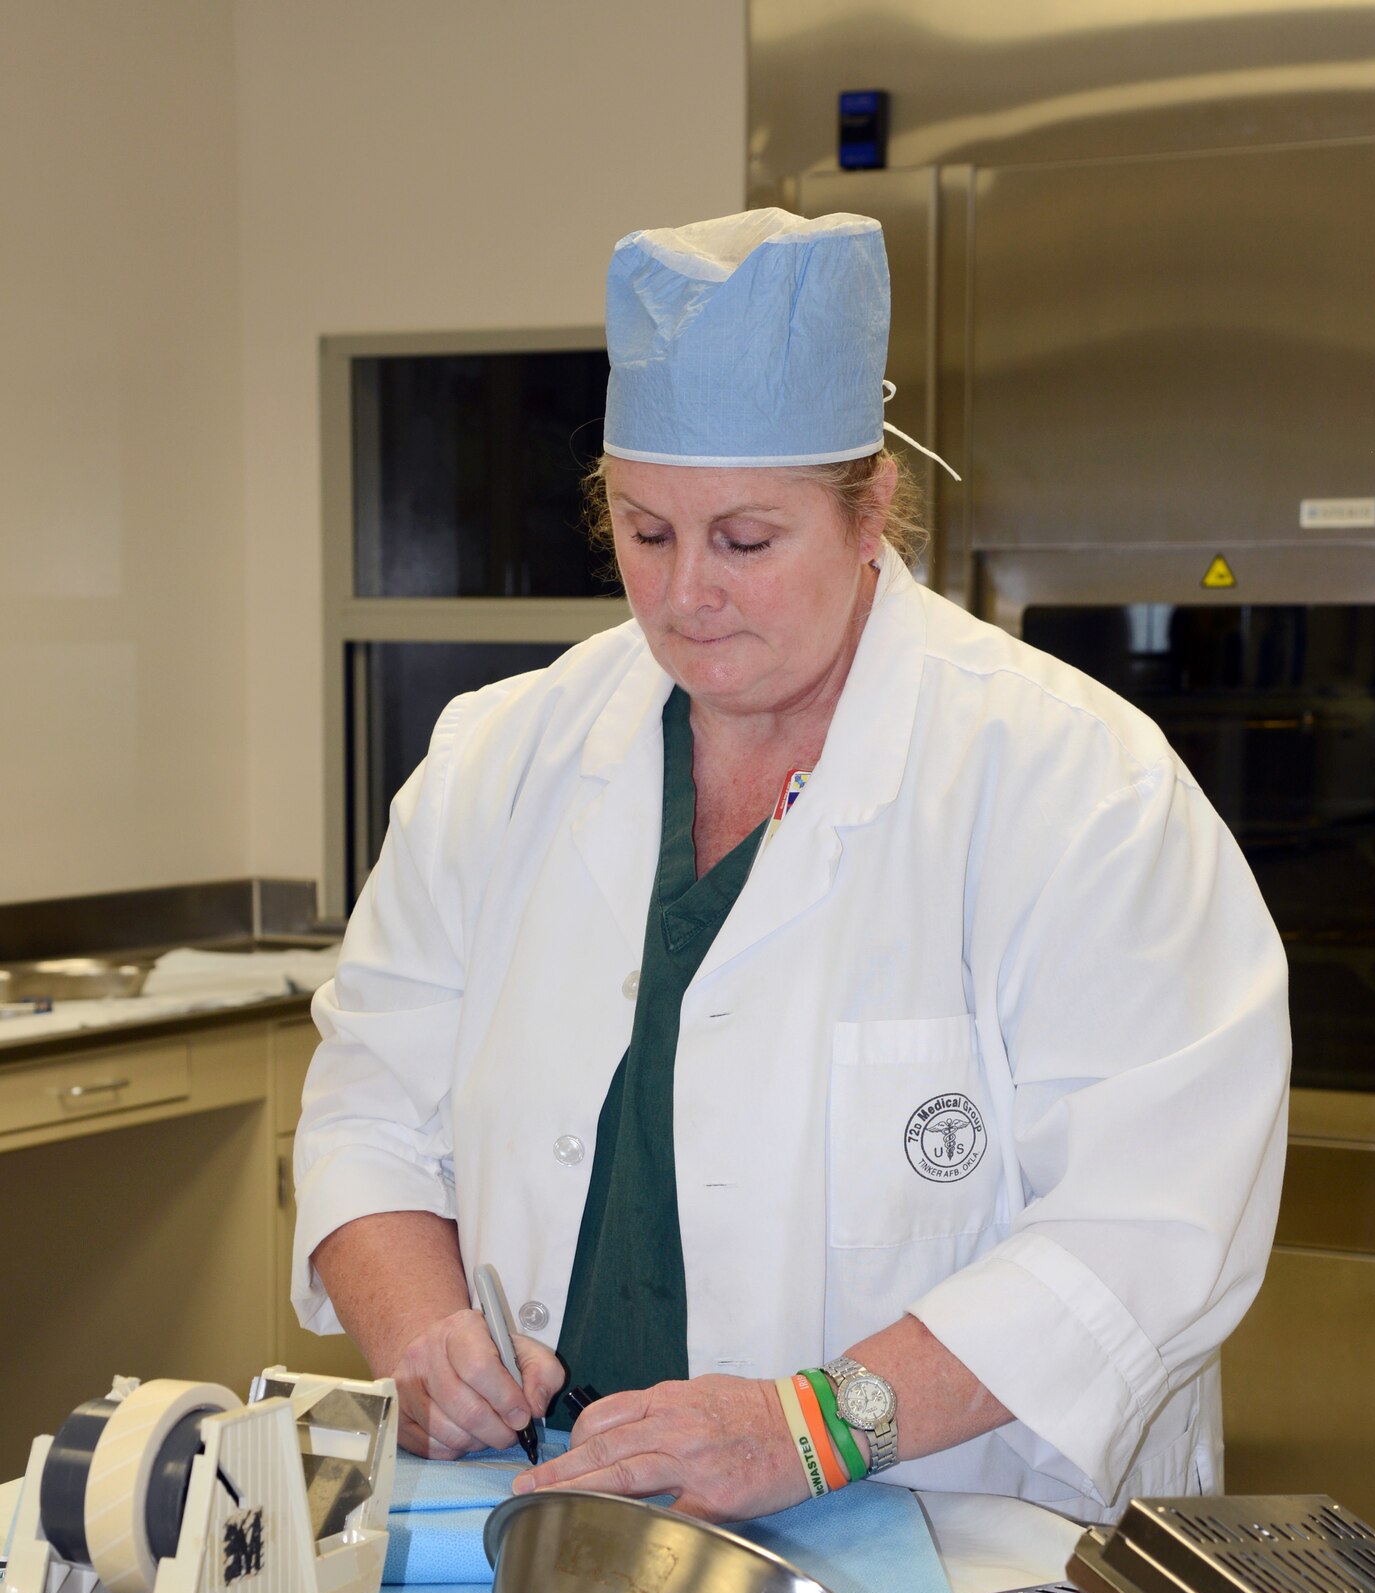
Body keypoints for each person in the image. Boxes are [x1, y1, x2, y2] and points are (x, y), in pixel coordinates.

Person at [293, 208, 1289, 1526]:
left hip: (962, 1547)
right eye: (645, 535)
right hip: (543, 1520)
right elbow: (368, 1112)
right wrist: (419, 1337)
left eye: (745, 542)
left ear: (870, 510)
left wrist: (814, 1427)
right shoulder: (501, 759)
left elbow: (1150, 1228)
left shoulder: (1073, 785)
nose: (687, 593)